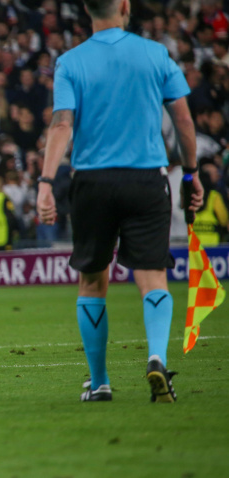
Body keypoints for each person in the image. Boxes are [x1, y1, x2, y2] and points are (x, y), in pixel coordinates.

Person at [37, 0, 204, 403]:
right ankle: (157, 359)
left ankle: (99, 383)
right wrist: (192, 172)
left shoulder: (71, 62)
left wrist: (45, 181)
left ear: (85, 9)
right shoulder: (155, 53)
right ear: (125, 6)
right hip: (147, 179)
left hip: (92, 182)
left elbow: (62, 125)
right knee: (152, 276)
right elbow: (183, 119)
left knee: (93, 279)